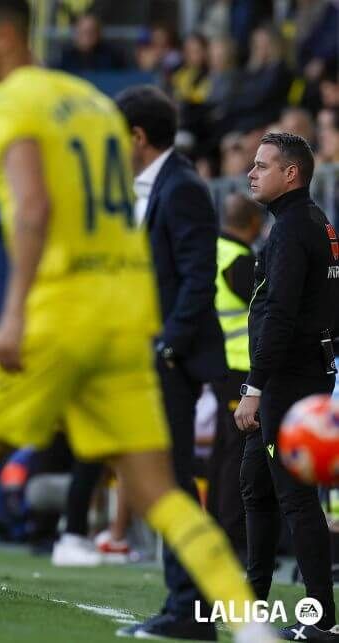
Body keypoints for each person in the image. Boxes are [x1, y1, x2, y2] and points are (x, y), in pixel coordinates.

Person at [0, 3, 268, 642]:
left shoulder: (7, 102)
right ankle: (252, 626)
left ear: (3, 35)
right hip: (125, 313)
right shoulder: (91, 100)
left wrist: (12, 314)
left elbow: (32, 209)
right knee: (158, 489)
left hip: (61, 310)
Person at [115, 85, 228, 640]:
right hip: (154, 358)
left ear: (137, 137)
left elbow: (197, 276)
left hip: (172, 364)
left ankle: (190, 610)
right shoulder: (157, 185)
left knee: (171, 484)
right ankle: (181, 602)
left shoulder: (181, 187)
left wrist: (166, 348)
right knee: (165, 484)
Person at [234, 132, 339, 641]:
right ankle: (253, 603)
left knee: (295, 499)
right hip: (299, 374)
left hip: (286, 381)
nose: (251, 173)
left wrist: (255, 386)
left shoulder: (293, 230)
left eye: (261, 165)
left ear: (290, 173)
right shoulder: (314, 223)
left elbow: (280, 315)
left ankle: (321, 616)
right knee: (256, 485)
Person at [208, 193, 264, 561]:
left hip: (219, 366)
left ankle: (215, 525)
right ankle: (230, 535)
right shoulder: (241, 260)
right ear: (254, 225)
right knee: (235, 453)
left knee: (222, 450)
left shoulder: (212, 250)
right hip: (240, 366)